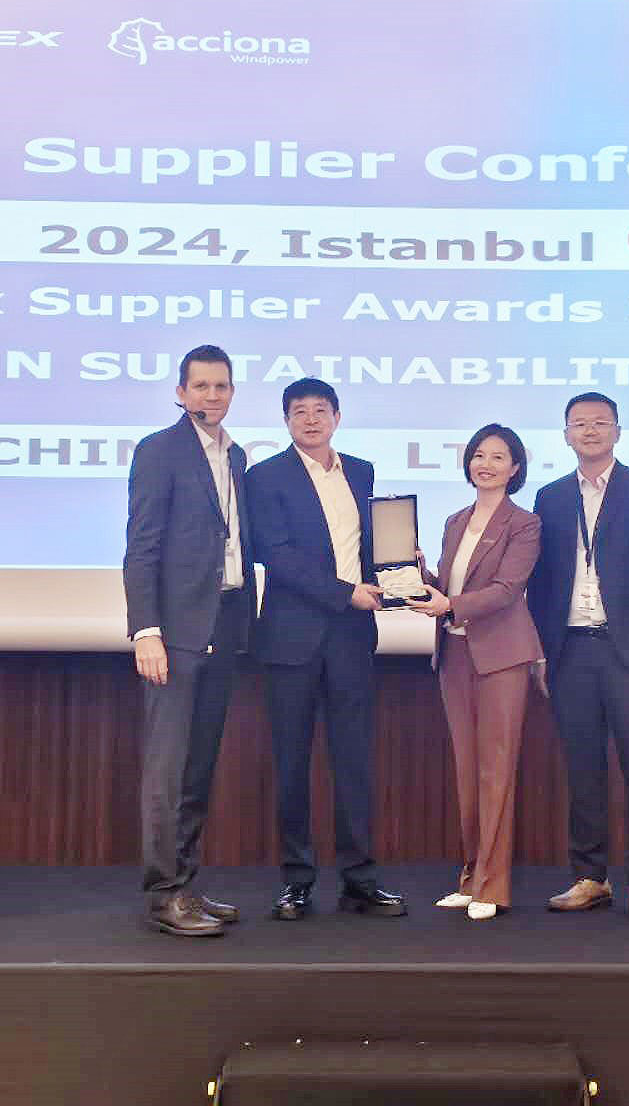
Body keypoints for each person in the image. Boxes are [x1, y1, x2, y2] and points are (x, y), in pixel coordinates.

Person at [246, 377, 407, 920]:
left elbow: (368, 547)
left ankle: (360, 879)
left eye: (320, 410)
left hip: (351, 638)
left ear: (337, 417)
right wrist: (345, 594)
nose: (311, 419)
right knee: (292, 764)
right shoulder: (265, 477)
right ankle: (296, 882)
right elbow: (277, 554)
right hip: (291, 639)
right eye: (299, 411)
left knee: (355, 761)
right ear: (286, 421)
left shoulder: (360, 471)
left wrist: (401, 566)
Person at [528, 393, 629, 918]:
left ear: (618, 431)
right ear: (565, 435)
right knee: (582, 771)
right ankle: (590, 876)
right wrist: (541, 652)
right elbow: (541, 582)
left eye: (600, 423)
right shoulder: (550, 497)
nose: (590, 431)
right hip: (570, 650)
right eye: (579, 424)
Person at [123, 344, 255, 937]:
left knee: (198, 769)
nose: (212, 395)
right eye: (200, 386)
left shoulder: (237, 455)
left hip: (224, 624)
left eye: (221, 386)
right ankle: (163, 895)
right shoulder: (159, 450)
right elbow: (142, 546)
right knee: (168, 772)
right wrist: (146, 629)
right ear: (180, 393)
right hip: (174, 633)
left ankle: (186, 886)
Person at [410, 424, 543, 921]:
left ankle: (493, 884)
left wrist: (449, 603)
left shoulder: (524, 523)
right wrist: (417, 574)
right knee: (467, 771)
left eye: (498, 457)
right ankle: (470, 877)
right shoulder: (455, 521)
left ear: (515, 468)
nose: (485, 464)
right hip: (455, 654)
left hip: (502, 657)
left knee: (496, 771)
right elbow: (449, 588)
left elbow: (507, 590)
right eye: (479, 455)